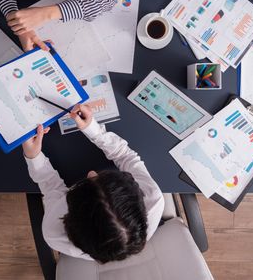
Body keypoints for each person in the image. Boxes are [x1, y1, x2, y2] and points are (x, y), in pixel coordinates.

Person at [22, 104, 164, 263]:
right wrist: (93, 129)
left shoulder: (54, 232)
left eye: (87, 182)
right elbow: (126, 157)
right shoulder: (152, 198)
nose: (91, 173)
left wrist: (34, 157)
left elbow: (51, 186)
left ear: (70, 213)